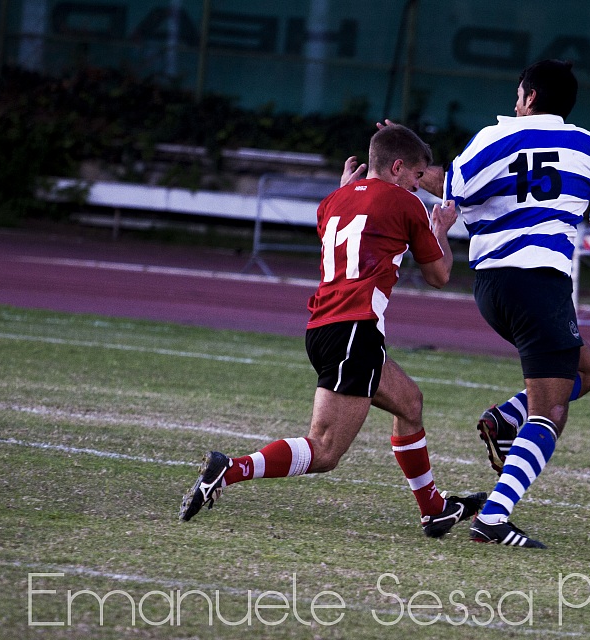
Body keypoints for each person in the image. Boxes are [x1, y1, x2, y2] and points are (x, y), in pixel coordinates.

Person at [180, 124, 484, 538]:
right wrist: (441, 229)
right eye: (417, 176)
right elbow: (439, 275)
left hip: (327, 326)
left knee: (410, 403)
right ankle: (230, 470)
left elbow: (341, 223)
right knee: (323, 451)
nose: (421, 186)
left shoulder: (333, 200)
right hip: (353, 331)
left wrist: (346, 190)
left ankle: (433, 509)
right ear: (397, 168)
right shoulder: (406, 203)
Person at [421, 59, 590, 548]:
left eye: (518, 94)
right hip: (541, 284)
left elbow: (449, 185)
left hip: (491, 289)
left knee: (589, 370)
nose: (514, 103)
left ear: (530, 98)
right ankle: (493, 518)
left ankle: (504, 419)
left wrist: (409, 166)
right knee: (551, 412)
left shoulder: (491, 139)